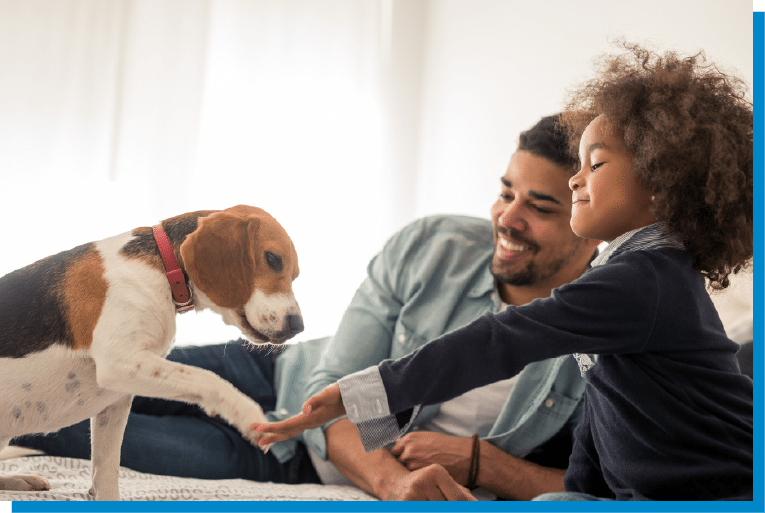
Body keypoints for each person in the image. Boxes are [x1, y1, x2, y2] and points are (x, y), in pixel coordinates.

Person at [255, 42, 754, 501]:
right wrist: (578, 491)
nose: (576, 178)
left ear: (660, 186)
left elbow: (501, 340)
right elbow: (604, 412)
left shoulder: (646, 280)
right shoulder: (630, 272)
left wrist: (362, 394)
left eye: (595, 164)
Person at [16, 113, 600, 500]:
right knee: (96, 371)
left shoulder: (603, 330)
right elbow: (337, 379)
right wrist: (392, 479)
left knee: (56, 431)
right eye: (505, 193)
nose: (507, 219)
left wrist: (482, 463)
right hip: (279, 372)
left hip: (287, 459)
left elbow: (603, 487)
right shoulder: (433, 247)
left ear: (586, 219)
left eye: (540, 207)